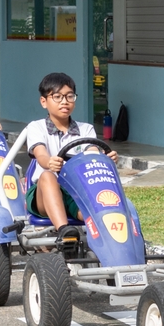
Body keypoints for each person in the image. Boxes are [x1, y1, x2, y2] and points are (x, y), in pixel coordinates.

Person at [22, 72, 117, 232]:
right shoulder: (36, 127)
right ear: (44, 101)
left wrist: (105, 159)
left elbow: (92, 152)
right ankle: (64, 231)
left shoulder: (86, 129)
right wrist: (49, 162)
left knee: (96, 207)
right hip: (44, 193)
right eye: (57, 97)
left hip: (76, 191)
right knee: (47, 176)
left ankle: (111, 235)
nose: (64, 102)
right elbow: (40, 154)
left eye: (69, 96)